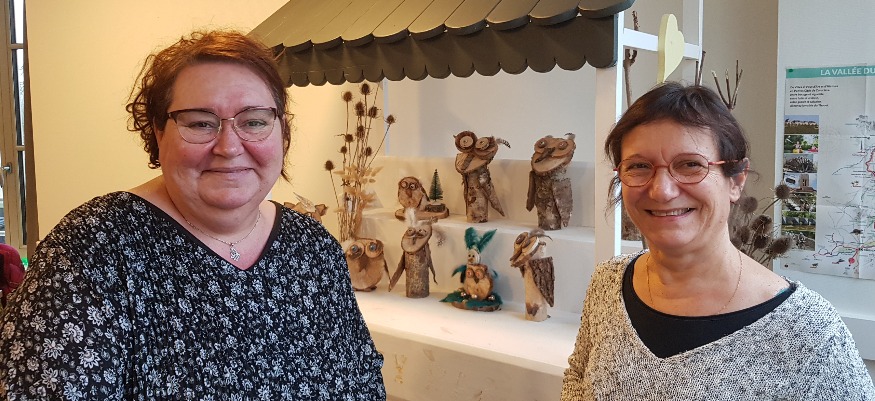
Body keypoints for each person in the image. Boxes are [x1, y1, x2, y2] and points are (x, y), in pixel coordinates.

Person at [0, 30, 385, 399]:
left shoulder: (313, 249)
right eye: (200, 123)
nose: (229, 147)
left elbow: (362, 383)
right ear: (158, 132)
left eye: (254, 121)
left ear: (282, 132)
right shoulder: (91, 249)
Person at [561, 82, 875, 400]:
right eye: (639, 167)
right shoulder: (608, 284)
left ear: (736, 180)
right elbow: (577, 378)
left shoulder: (810, 334)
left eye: (690, 165)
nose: (662, 191)